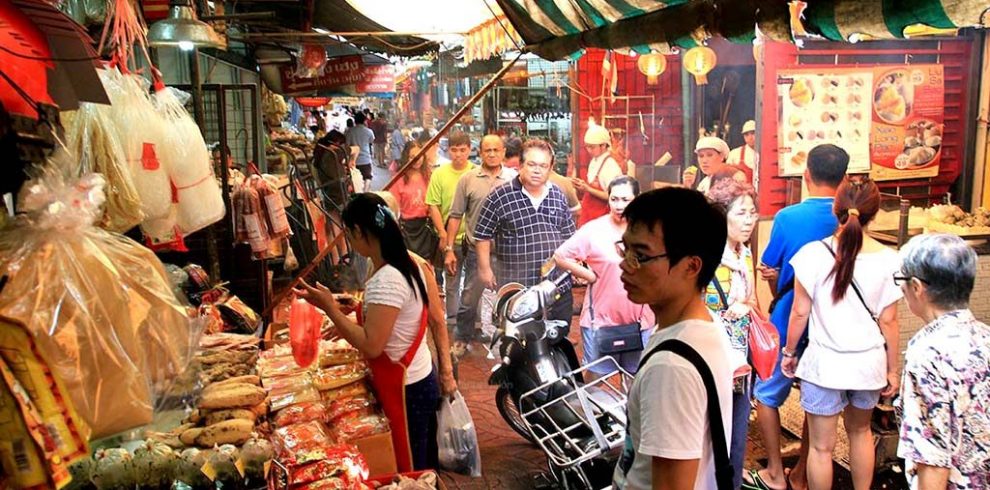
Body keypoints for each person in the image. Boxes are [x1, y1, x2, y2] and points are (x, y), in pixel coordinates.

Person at [293, 193, 444, 472]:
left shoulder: (387, 278)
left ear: (359, 232)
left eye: (349, 235)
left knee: (412, 467)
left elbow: (372, 345)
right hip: (419, 378)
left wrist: (330, 309)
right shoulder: (408, 264)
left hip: (407, 387)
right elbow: (391, 318)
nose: (350, 242)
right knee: (421, 458)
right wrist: (352, 311)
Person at [780, 178, 901, 490]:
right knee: (860, 433)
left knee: (821, 448)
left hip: (824, 366)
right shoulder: (890, 260)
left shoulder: (812, 254)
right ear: (875, 213)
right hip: (868, 365)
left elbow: (799, 312)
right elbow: (889, 321)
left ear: (837, 210)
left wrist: (789, 353)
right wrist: (893, 370)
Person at [612, 187, 733, 490]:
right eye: (624, 250)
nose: (625, 265)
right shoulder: (701, 327)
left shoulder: (670, 367)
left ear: (691, 266)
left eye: (640, 255)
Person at [744, 144, 849, 490]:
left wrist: (773, 285)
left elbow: (771, 266)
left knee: (767, 394)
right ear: (845, 178)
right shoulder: (849, 217)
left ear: (806, 175)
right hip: (832, 322)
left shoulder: (788, 218)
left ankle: (775, 471)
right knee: (817, 403)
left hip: (791, 316)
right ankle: (803, 473)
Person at [895, 234, 989, 490]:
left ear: (916, 287)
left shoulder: (927, 353)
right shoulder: (986, 338)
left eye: (900, 281)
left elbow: (933, 456)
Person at [554, 176, 654, 378]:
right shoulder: (594, 230)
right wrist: (589, 275)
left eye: (626, 199)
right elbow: (560, 256)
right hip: (600, 321)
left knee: (638, 381)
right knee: (596, 381)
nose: (619, 205)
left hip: (642, 322)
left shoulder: (650, 230)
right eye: (614, 199)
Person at [474, 138, 576, 324]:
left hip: (555, 283)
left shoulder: (557, 195)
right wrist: (485, 269)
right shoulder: (499, 196)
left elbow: (569, 236)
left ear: (551, 168)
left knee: (558, 334)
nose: (537, 170)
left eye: (543, 166)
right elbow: (482, 235)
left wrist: (576, 266)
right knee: (519, 340)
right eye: (532, 164)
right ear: (520, 165)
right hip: (517, 285)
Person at [704, 179, 759, 490]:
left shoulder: (745, 253)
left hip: (739, 359)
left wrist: (746, 306)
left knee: (737, 428)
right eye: (741, 213)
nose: (749, 220)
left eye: (752, 212)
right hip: (710, 357)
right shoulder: (703, 256)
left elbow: (752, 300)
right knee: (709, 431)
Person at [444, 135, 517, 356]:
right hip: (476, 250)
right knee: (469, 297)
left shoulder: (514, 179)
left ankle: (511, 341)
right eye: (488, 150)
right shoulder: (468, 180)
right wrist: (449, 249)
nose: (492, 154)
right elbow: (455, 216)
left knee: (511, 296)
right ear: (480, 153)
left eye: (496, 150)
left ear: (504, 152)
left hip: (507, 251)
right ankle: (462, 339)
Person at [425, 131, 475, 327]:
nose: (458, 155)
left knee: (473, 284)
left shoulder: (476, 173)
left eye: (463, 150)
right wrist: (443, 234)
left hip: (473, 239)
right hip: (451, 239)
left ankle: (474, 324)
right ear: (448, 150)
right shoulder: (440, 174)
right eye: (454, 150)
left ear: (470, 150)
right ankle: (453, 321)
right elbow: (433, 205)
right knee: (452, 282)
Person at [392, 141, 439, 265]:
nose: (417, 160)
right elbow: (394, 208)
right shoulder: (399, 179)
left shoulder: (429, 176)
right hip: (406, 228)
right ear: (406, 158)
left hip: (426, 226)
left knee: (427, 264)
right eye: (412, 157)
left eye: (419, 155)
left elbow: (435, 202)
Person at [573, 124, 623, 226]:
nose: (589, 150)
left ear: (603, 145)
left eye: (592, 147)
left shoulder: (611, 166)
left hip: (602, 221)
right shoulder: (594, 161)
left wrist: (588, 189)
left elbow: (613, 196)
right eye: (587, 146)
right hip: (588, 218)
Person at [346, 112, 376, 191]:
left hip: (354, 161)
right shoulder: (369, 131)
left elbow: (347, 145)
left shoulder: (350, 131)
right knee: (368, 177)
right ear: (364, 121)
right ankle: (365, 193)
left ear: (355, 121)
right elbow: (371, 141)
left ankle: (357, 194)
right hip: (365, 159)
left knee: (355, 180)